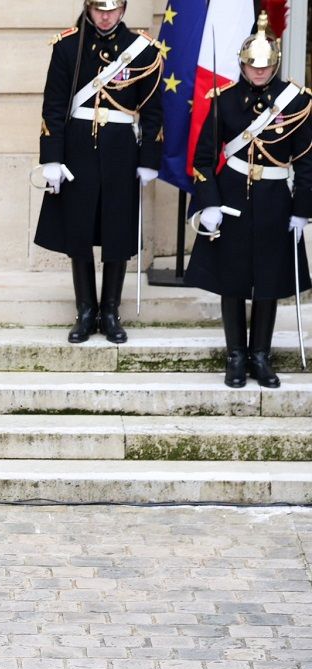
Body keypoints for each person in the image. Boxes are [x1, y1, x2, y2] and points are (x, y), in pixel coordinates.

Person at [186, 9, 312, 389]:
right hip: (232, 197)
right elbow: (204, 158)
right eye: (252, 66)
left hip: (275, 199)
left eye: (265, 66)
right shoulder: (223, 100)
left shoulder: (296, 102)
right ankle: (236, 356)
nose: (259, 72)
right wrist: (208, 202)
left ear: (275, 64)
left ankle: (260, 356)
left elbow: (306, 162)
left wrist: (302, 210)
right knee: (233, 279)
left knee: (268, 280)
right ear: (242, 64)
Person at [34, 0, 163, 344]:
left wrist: (149, 158)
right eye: (99, 9)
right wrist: (52, 157)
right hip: (77, 146)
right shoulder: (68, 46)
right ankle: (85, 311)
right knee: (78, 229)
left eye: (112, 9)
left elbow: (152, 111)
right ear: (89, 9)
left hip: (121, 148)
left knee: (118, 230)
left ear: (123, 10)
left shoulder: (143, 50)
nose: (106, 16)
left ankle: (110, 312)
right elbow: (54, 105)